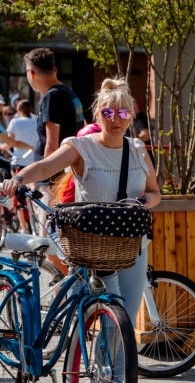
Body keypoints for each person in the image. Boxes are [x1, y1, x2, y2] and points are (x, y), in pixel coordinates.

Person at [1, 78, 162, 325]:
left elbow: (155, 193)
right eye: (108, 112)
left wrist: (146, 200)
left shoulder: (138, 149)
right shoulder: (82, 147)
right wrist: (19, 178)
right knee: (113, 318)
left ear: (130, 115)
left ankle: (112, 364)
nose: (115, 119)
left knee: (127, 319)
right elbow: (46, 166)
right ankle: (104, 362)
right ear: (97, 114)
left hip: (133, 244)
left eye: (122, 112)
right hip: (95, 245)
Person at [24, 48, 85, 164]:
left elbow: (51, 147)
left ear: (31, 73)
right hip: (69, 166)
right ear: (54, 70)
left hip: (53, 176)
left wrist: (41, 176)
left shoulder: (52, 97)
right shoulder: (70, 93)